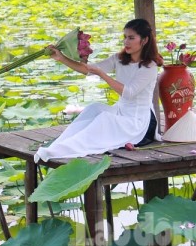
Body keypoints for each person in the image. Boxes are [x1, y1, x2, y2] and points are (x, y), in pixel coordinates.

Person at [34, 18, 163, 162]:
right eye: (125, 37)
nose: (126, 42)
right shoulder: (119, 59)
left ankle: (64, 149)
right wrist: (61, 57)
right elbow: (87, 70)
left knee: (105, 119)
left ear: (144, 40)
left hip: (139, 123)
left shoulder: (149, 67)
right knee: (94, 109)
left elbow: (128, 93)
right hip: (121, 112)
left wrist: (102, 74)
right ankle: (60, 145)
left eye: (131, 38)